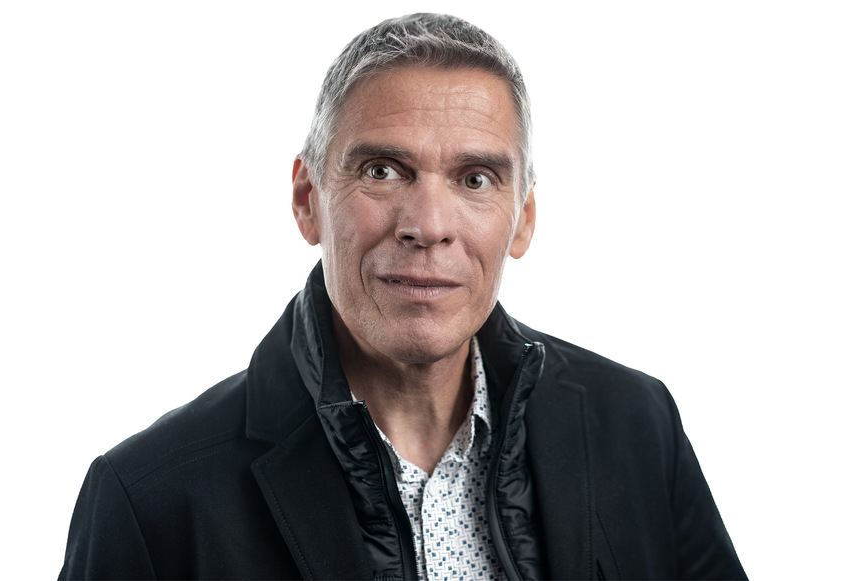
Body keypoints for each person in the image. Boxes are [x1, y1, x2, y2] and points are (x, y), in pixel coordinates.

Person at [60, 13, 746, 581]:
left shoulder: (637, 425)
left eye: (475, 179)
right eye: (383, 171)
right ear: (307, 199)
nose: (428, 225)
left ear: (523, 219)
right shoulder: (150, 500)